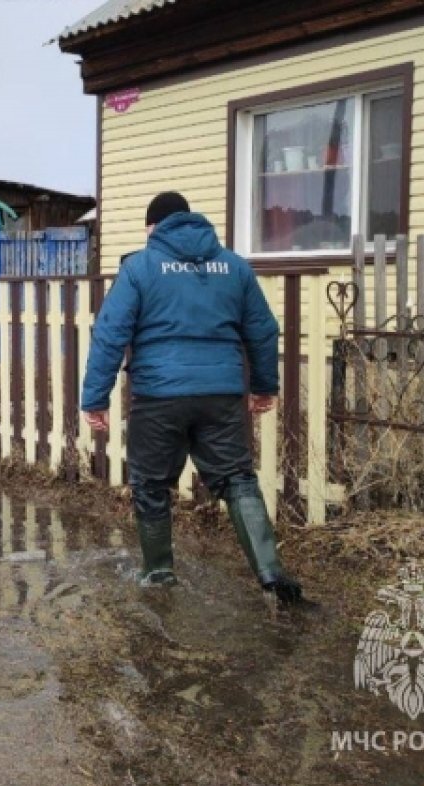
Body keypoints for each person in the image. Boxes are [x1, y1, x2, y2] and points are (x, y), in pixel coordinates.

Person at [80, 192, 304, 605]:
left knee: (150, 485)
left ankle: (160, 575)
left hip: (159, 395)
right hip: (221, 394)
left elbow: (111, 333)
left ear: (154, 227)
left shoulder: (140, 267)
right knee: (237, 479)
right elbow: (262, 329)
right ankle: (271, 574)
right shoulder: (234, 266)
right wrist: (263, 387)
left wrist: (95, 397)